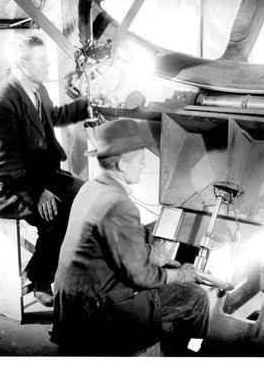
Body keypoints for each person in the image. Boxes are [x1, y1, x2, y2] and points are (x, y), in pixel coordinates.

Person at [51, 118, 210, 356]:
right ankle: (192, 352)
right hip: (102, 311)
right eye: (140, 159)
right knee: (197, 297)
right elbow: (141, 276)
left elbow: (119, 246)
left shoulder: (91, 188)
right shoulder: (119, 204)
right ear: (124, 164)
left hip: (74, 303)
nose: (144, 164)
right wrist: (183, 274)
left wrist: (161, 257)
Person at [0, 35, 89, 307]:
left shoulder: (37, 90)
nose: (48, 65)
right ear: (22, 63)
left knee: (88, 196)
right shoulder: (0, 101)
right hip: (9, 187)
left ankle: (43, 271)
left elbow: (53, 117)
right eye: (42, 60)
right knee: (60, 212)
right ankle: (39, 277)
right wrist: (38, 194)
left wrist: (86, 106)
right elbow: (2, 165)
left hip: (40, 176)